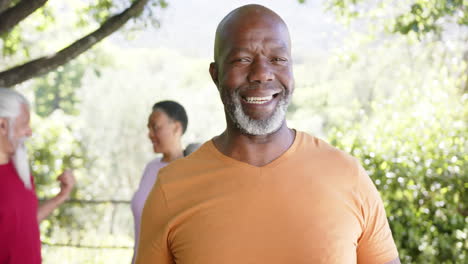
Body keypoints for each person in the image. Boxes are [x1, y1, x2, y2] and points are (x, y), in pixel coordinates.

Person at [136, 4, 400, 264]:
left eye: (277, 59)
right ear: (216, 75)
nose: (262, 74)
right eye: (242, 59)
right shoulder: (171, 188)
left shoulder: (347, 175)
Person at [0, 88, 76, 264]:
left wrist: (61, 196)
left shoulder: (21, 172)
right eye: (24, 124)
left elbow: (25, 222)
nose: (29, 132)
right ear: (3, 125)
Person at [130, 100, 188, 264]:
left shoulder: (191, 169)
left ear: (176, 128)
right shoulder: (151, 168)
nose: (149, 134)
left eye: (155, 127)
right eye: (148, 128)